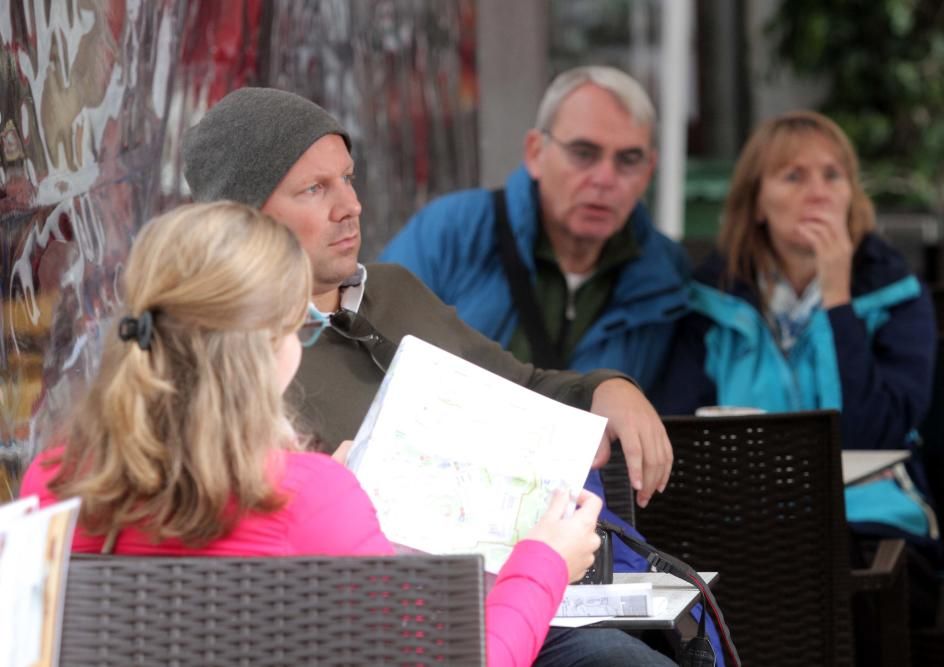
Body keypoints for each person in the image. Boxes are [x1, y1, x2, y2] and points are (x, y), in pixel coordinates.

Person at [181, 87, 679, 667]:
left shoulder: (393, 291)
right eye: (315, 189)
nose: (350, 206)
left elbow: (521, 386)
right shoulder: (228, 352)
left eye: (347, 178)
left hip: (511, 594)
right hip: (369, 628)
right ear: (243, 218)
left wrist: (604, 389)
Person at [19, 201, 607, 667]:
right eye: (300, 328)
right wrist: (545, 561)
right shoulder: (311, 497)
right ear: (266, 346)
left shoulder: (50, 480)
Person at [380, 66, 688, 572]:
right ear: (535, 152)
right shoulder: (453, 231)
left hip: (592, 525)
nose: (605, 178)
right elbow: (378, 357)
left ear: (650, 170)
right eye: (584, 153)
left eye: (628, 160)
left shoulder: (664, 271)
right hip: (445, 516)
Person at [652, 110, 941, 626]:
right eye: (793, 176)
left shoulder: (897, 296)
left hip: (869, 519)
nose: (819, 191)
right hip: (741, 523)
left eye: (833, 175)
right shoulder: (708, 303)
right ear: (757, 203)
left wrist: (838, 300)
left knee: (846, 590)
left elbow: (878, 432)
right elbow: (678, 432)